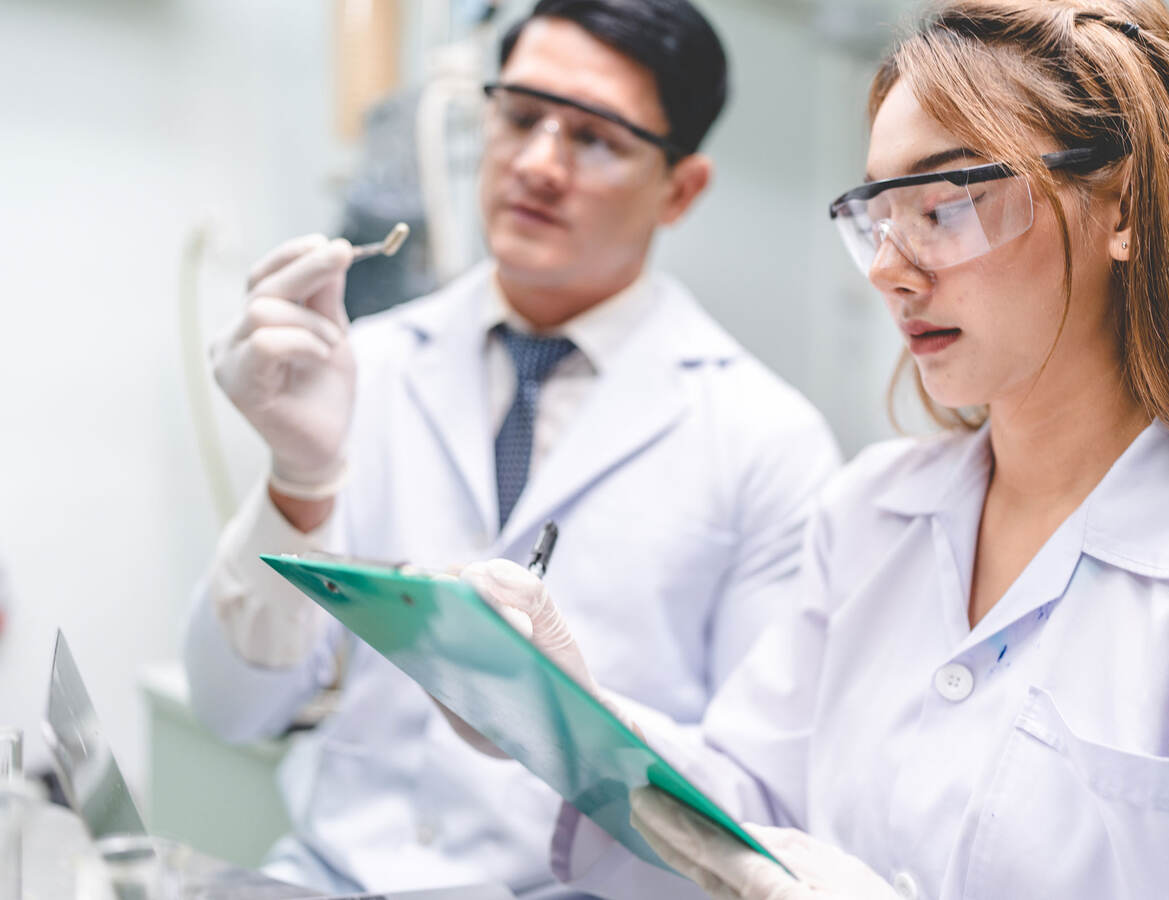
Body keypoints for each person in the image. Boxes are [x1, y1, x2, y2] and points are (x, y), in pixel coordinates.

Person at [459, 1, 1169, 897]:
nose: (892, 266)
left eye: (948, 202)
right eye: (879, 214)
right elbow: (751, 803)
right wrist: (556, 710)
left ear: (1121, 205)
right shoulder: (869, 514)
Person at [183, 0, 841, 894]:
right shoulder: (369, 366)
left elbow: (762, 807)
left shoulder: (766, 442)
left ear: (681, 189)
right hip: (330, 878)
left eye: (595, 139)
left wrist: (565, 724)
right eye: (521, 116)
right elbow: (231, 709)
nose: (537, 164)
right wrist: (297, 481)